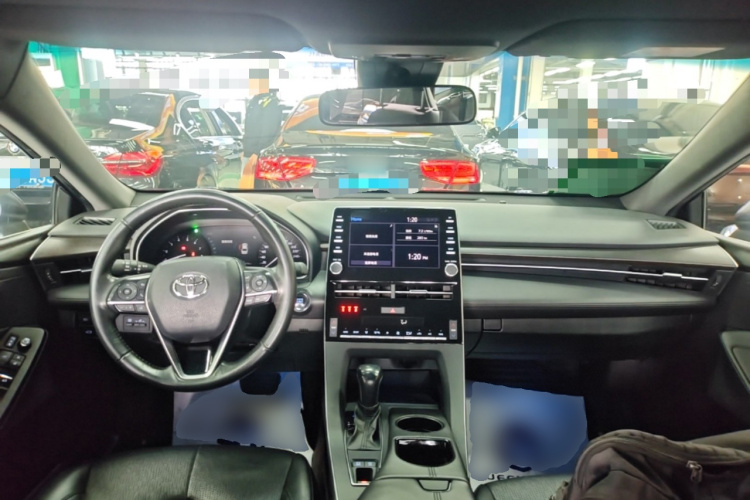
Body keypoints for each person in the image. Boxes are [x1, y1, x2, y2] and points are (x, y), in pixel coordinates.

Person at [240, 91, 283, 189]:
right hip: (249, 152)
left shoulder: (272, 104)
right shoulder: (255, 101)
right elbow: (249, 128)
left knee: (257, 188)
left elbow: (268, 132)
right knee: (246, 187)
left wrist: (257, 153)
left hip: (259, 154)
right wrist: (245, 149)